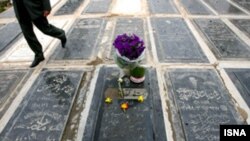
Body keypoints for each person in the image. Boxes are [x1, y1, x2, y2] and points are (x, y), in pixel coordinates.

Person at [12, 0, 67, 68]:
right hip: (19, 9)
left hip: (34, 7)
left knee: (46, 29)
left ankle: (61, 34)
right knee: (28, 35)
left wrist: (47, 7)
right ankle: (39, 55)